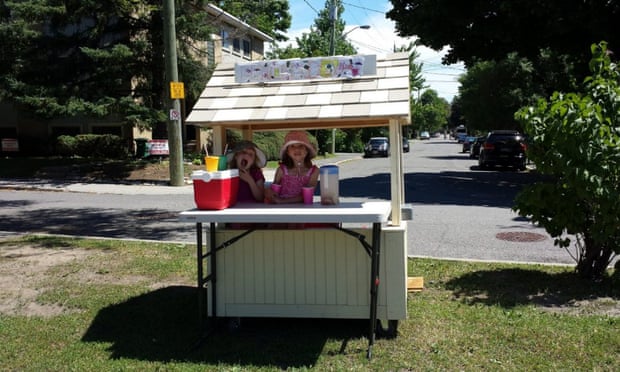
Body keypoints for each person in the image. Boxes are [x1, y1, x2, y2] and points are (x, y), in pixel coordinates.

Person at [265, 130, 319, 204]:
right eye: (292, 146)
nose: (297, 149)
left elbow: (306, 195)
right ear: (287, 152)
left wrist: (282, 201)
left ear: (307, 150)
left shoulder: (314, 171)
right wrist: (268, 191)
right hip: (281, 209)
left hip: (303, 210)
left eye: (301, 146)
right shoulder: (281, 170)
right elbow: (274, 191)